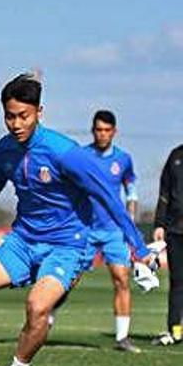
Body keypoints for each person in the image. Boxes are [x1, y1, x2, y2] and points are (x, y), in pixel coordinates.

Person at [0, 74, 153, 366]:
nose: (15, 123)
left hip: (68, 247)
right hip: (23, 241)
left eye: (23, 116)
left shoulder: (64, 152)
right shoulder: (3, 151)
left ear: (39, 111)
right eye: (9, 116)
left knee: (37, 307)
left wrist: (137, 247)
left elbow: (108, 199)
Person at [63, 110, 140, 352]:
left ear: (114, 132)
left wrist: (131, 221)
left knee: (121, 279)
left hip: (113, 231)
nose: (102, 134)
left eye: (107, 130)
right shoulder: (81, 157)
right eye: (98, 130)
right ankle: (44, 321)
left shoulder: (124, 160)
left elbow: (132, 192)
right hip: (84, 228)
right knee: (68, 280)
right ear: (93, 131)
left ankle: (122, 337)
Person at [152, 143, 183, 345]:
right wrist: (159, 223)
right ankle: (175, 330)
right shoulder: (176, 156)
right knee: (177, 282)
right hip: (175, 230)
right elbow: (164, 192)